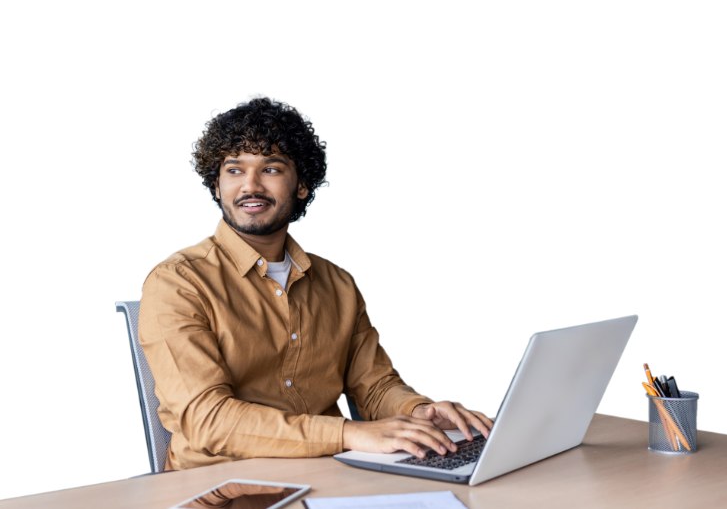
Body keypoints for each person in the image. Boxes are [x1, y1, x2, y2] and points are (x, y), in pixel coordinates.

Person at [138, 93, 493, 471]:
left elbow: (374, 386)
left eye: (271, 169)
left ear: (302, 185)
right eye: (235, 170)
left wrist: (417, 411)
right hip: (221, 482)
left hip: (327, 469)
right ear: (217, 184)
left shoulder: (336, 283)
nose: (250, 185)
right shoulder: (177, 282)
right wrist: (347, 434)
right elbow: (208, 421)